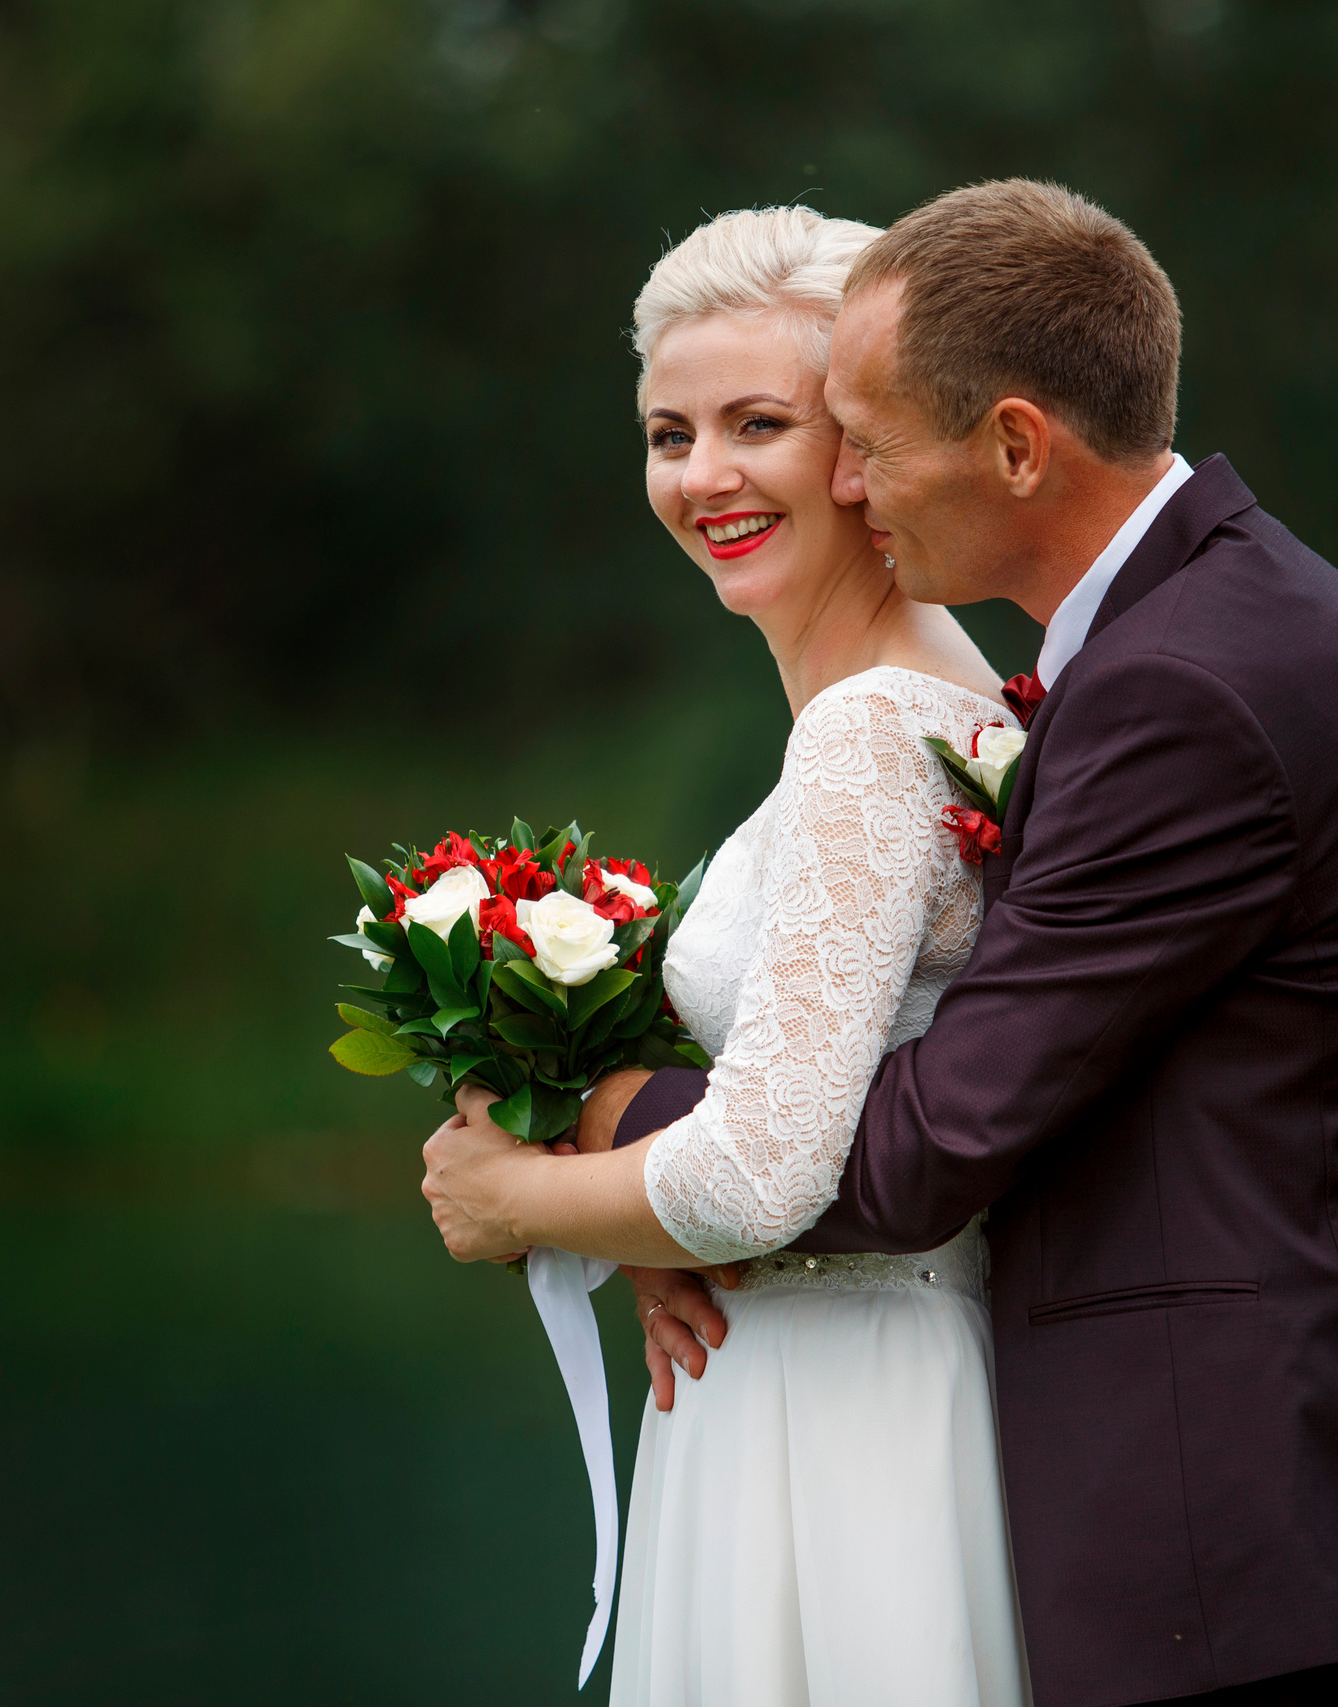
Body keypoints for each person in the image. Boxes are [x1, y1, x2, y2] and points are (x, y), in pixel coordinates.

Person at [430, 179, 1338, 1705]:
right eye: (669, 432)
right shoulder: (1140, 658)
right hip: (1197, 1488)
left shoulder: (1171, 688)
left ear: (1017, 442)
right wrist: (648, 1212)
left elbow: (908, 1150)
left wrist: (557, 1176)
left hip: (1236, 1515)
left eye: (853, 437)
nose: (852, 485)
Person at [421, 204, 1035, 1706]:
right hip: (793, 1378)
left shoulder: (871, 730)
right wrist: (646, 1233)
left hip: (841, 1427)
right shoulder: (918, 708)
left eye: (758, 424)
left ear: (862, 447)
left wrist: (519, 1204)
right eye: (666, 432)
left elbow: (764, 1176)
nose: (703, 478)